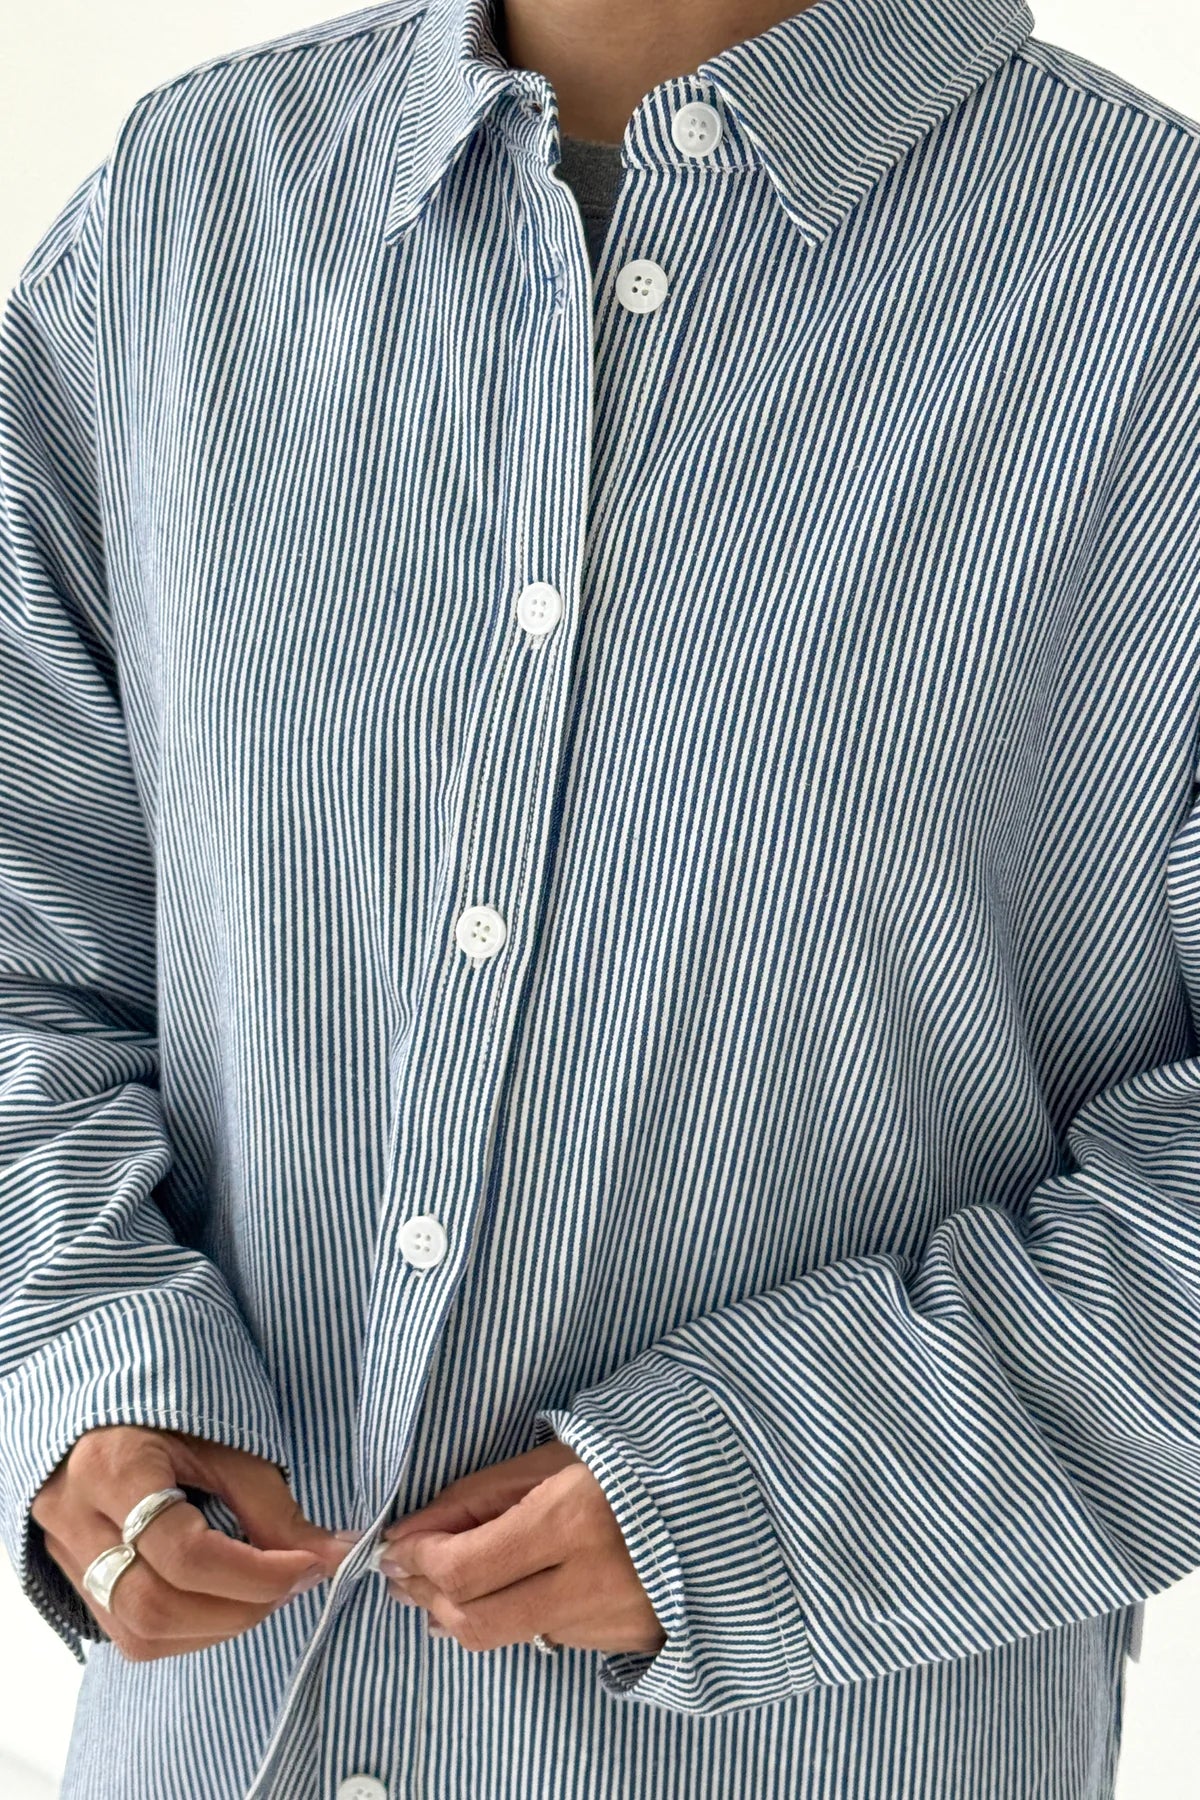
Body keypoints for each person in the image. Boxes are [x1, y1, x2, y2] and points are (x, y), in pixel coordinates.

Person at [0, 0, 1197, 1793]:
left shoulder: (1157, 283)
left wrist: (765, 1489)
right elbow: (29, 936)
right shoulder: (185, 217)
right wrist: (84, 1350)